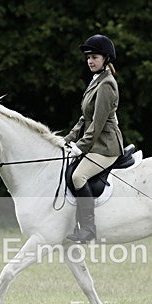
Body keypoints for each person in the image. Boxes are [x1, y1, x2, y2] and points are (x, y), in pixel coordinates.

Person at [63, 34, 124, 243]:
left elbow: (97, 124)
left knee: (78, 177)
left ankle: (88, 228)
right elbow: (85, 117)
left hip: (107, 146)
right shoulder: (96, 81)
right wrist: (68, 138)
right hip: (94, 143)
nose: (90, 60)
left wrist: (80, 146)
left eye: (95, 56)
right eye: (88, 56)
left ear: (106, 59)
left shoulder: (107, 84)